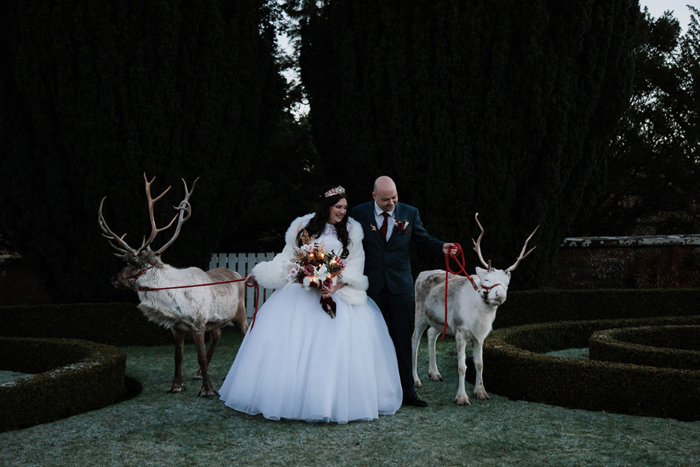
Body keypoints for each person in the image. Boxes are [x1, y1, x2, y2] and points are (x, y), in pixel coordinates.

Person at [219, 185, 402, 423]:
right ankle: (290, 398)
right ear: (327, 206)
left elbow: (355, 265)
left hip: (335, 297)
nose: (342, 212)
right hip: (300, 294)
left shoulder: (351, 231)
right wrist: (261, 272)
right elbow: (288, 257)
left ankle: (329, 401)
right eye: (338, 207)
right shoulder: (304, 228)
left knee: (333, 350)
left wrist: (334, 285)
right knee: (290, 347)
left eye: (345, 208)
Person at [352, 176, 454, 407]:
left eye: (395, 197)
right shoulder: (359, 214)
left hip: (401, 288)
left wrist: (441, 248)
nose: (391, 203)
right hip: (372, 288)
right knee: (372, 339)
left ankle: (407, 390)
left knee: (402, 339)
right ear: (374, 196)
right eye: (386, 199)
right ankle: (373, 391)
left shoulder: (409, 213)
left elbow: (423, 240)